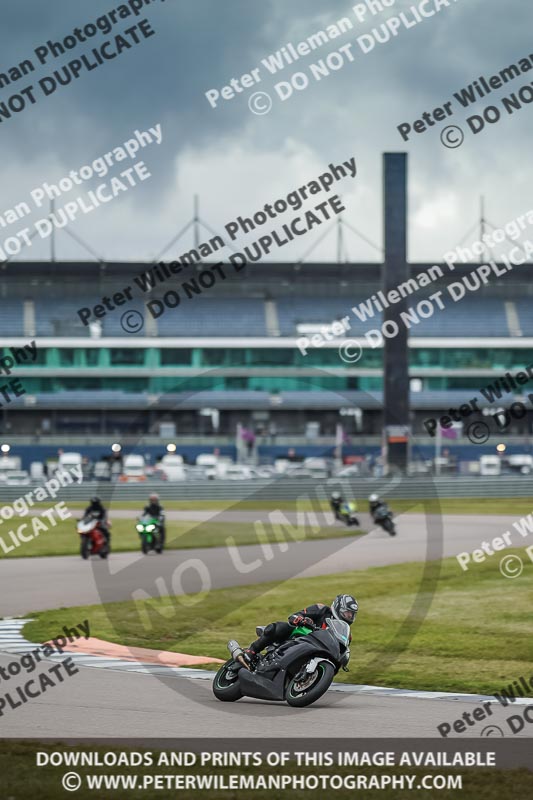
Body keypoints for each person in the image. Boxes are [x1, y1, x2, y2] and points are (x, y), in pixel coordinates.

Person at [245, 594, 358, 663]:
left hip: (318, 650)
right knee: (280, 627)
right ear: (338, 607)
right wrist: (300, 619)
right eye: (347, 613)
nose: (349, 616)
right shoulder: (322, 609)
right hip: (302, 636)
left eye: (352, 614)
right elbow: (296, 615)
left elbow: (341, 649)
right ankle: (252, 651)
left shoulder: (346, 633)